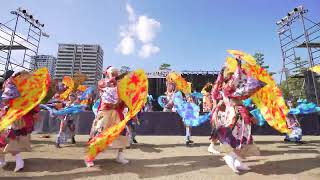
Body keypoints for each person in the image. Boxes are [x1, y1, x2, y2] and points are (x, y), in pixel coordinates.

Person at [210, 60, 260, 173]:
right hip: (233, 115)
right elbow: (234, 79)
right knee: (232, 137)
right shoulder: (227, 88)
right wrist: (238, 66)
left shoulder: (234, 90)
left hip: (240, 115)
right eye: (231, 76)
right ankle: (230, 158)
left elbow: (234, 80)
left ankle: (237, 162)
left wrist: (250, 116)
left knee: (240, 139)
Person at [86, 66, 129, 167]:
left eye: (116, 74)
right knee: (98, 132)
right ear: (107, 74)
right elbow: (103, 86)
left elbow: (124, 99)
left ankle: (120, 156)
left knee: (122, 133)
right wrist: (112, 81)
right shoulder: (102, 82)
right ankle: (90, 157)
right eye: (112, 73)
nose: (115, 75)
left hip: (117, 113)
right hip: (105, 112)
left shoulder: (121, 86)